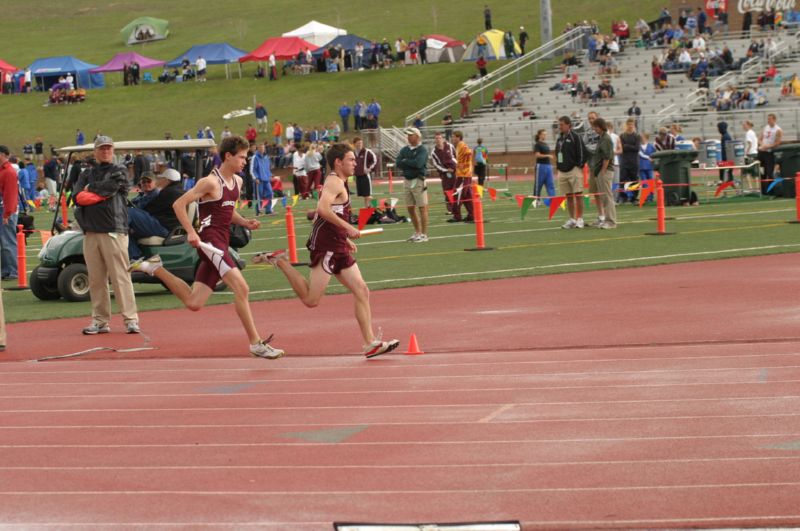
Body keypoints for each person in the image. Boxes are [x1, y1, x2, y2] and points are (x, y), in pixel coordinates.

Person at [128, 136, 283, 359]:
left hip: (221, 241)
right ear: (228, 156)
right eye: (241, 157)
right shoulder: (210, 182)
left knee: (194, 302)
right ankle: (256, 343)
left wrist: (245, 222)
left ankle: (155, 268)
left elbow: (227, 211)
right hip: (210, 242)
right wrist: (191, 231)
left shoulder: (237, 183)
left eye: (246, 157)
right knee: (242, 288)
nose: (245, 162)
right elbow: (178, 204)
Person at [253, 143, 399, 358]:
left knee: (362, 290)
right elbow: (322, 209)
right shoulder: (333, 182)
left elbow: (334, 214)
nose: (355, 163)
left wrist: (344, 237)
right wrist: (348, 228)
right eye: (351, 159)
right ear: (338, 162)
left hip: (337, 244)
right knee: (312, 300)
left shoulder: (340, 181)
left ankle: (370, 343)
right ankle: (281, 261)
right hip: (326, 247)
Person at [72, 137, 140, 335]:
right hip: (91, 231)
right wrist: (98, 193)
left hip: (114, 229)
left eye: (108, 148)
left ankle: (131, 319)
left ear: (113, 150)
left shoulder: (119, 170)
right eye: (102, 148)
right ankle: (100, 321)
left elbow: (113, 188)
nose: (105, 151)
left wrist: (91, 190)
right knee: (96, 279)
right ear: (95, 151)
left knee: (120, 276)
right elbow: (77, 197)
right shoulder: (86, 173)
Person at [127, 170, 185, 259]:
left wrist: (135, 213)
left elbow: (149, 209)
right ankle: (135, 257)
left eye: (161, 178)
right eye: (143, 182)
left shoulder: (169, 193)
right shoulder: (173, 191)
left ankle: (135, 256)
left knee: (128, 212)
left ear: (166, 180)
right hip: (163, 224)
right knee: (125, 228)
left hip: (164, 227)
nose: (159, 180)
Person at [395, 127, 430, 242]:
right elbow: (398, 163)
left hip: (418, 180)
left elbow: (419, 164)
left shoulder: (422, 150)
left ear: (417, 136)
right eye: (408, 135)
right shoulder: (405, 149)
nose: (408, 137)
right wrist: (409, 163)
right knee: (410, 208)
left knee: (422, 207)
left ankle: (424, 234)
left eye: (411, 135)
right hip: (407, 180)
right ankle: (417, 232)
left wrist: (406, 162)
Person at [555, 116, 587, 229]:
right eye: (559, 124)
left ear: (569, 125)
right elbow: (557, 154)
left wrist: (579, 166)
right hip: (562, 171)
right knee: (568, 196)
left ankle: (580, 219)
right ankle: (572, 219)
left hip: (574, 170)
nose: (560, 126)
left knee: (578, 195)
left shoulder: (576, 137)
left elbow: (582, 151)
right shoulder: (559, 139)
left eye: (562, 124)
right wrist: (558, 167)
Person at [589, 118, 618, 229]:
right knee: (604, 197)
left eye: (596, 127)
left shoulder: (606, 139)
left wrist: (603, 171)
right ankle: (607, 219)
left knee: (607, 197)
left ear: (601, 126)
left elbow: (607, 157)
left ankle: (611, 221)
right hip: (601, 171)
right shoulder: (601, 138)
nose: (594, 129)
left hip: (605, 171)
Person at [0, 146, 19, 281]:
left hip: (6, 209)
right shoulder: (3, 170)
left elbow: (10, 195)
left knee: (7, 241)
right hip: (3, 208)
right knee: (3, 241)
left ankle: (13, 270)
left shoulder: (9, 172)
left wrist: (7, 213)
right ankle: (6, 270)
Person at [452, 130, 475, 223]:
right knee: (466, 196)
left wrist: (462, 164)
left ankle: (457, 216)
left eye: (454, 137)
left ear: (458, 137)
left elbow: (469, 152)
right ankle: (472, 215)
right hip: (465, 174)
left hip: (463, 175)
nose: (452, 138)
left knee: (457, 194)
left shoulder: (461, 145)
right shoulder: (458, 146)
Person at [758, 113, 782, 195]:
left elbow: (778, 142)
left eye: (770, 119)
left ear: (774, 120)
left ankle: (771, 191)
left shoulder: (778, 130)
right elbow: (760, 138)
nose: (768, 121)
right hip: (762, 152)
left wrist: (768, 147)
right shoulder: (766, 127)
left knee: (769, 172)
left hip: (769, 153)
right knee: (761, 172)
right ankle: (763, 191)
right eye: (768, 119)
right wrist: (762, 145)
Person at [618, 118, 640, 204]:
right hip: (624, 161)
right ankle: (623, 197)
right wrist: (630, 146)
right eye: (629, 124)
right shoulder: (622, 136)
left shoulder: (637, 136)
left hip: (634, 162)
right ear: (626, 125)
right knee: (622, 180)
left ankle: (634, 198)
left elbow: (637, 148)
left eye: (632, 124)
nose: (630, 126)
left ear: (634, 125)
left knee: (634, 180)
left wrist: (627, 146)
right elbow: (621, 148)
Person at [353, 137, 377, 208]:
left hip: (365, 176)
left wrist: (369, 168)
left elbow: (375, 160)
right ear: (354, 144)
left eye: (360, 143)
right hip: (358, 176)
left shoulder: (367, 151)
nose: (359, 145)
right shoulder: (353, 153)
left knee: (368, 195)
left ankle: (375, 207)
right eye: (358, 143)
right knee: (364, 196)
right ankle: (367, 209)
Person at [533, 130, 556, 203]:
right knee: (538, 184)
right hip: (541, 166)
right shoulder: (537, 144)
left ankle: (553, 200)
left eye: (545, 134)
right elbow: (537, 155)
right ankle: (536, 200)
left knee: (550, 184)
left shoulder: (545, 144)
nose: (545, 136)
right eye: (543, 134)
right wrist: (547, 155)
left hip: (548, 166)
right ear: (539, 135)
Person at [251, 142, 274, 214]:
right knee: (259, 195)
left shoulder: (266, 157)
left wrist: (270, 175)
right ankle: (259, 210)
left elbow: (268, 168)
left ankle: (268, 210)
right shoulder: (255, 157)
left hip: (266, 180)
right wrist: (255, 178)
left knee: (270, 193)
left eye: (263, 148)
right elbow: (252, 170)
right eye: (261, 148)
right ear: (258, 148)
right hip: (259, 180)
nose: (262, 149)